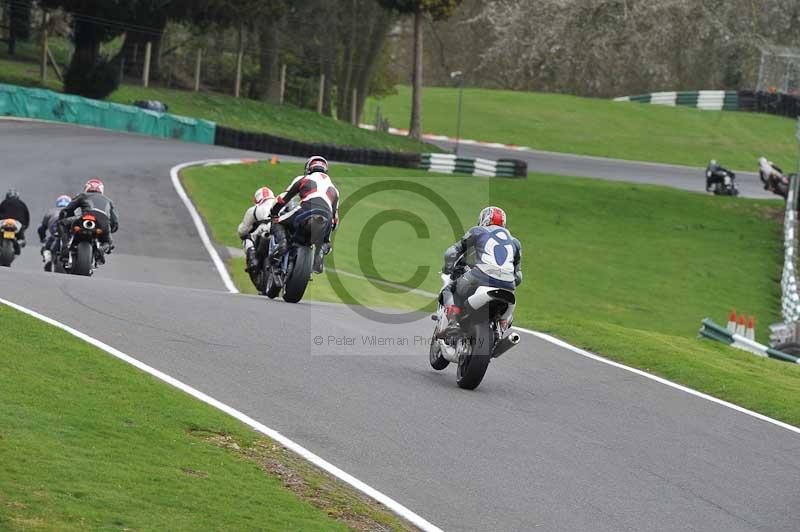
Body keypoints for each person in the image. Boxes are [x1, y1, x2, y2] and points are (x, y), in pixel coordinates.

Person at [440, 206, 522, 334]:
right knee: (508, 307)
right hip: (508, 285)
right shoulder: (515, 242)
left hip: (481, 276)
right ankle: (501, 326)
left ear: (484, 219)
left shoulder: (478, 231)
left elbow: (451, 253)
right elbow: (518, 277)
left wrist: (448, 269)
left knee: (449, 289)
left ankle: (453, 322)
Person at [269, 156, 339, 274]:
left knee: (277, 223)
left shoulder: (303, 179)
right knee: (326, 240)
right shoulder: (335, 190)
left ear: (308, 168)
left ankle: (282, 246)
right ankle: (320, 253)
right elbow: (335, 220)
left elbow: (282, 199)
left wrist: (274, 212)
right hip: (326, 219)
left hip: (306, 210)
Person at [58, 178, 118, 263]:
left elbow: (66, 210)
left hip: (85, 218)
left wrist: (66, 219)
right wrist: (108, 229)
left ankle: (65, 248)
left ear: (87, 188)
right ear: (101, 189)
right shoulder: (108, 201)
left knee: (61, 223)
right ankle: (102, 249)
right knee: (108, 242)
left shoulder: (82, 195)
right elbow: (115, 222)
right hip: (103, 221)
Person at [237, 186, 276, 273]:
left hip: (267, 230)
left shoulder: (255, 209)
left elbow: (242, 230)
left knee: (247, 238)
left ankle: (253, 261)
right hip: (282, 231)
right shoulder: (280, 202)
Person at [38, 195, 71, 270]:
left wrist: (42, 239)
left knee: (46, 247)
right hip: (67, 234)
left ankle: (48, 259)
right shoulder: (72, 211)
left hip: (55, 234)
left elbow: (42, 228)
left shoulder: (51, 211)